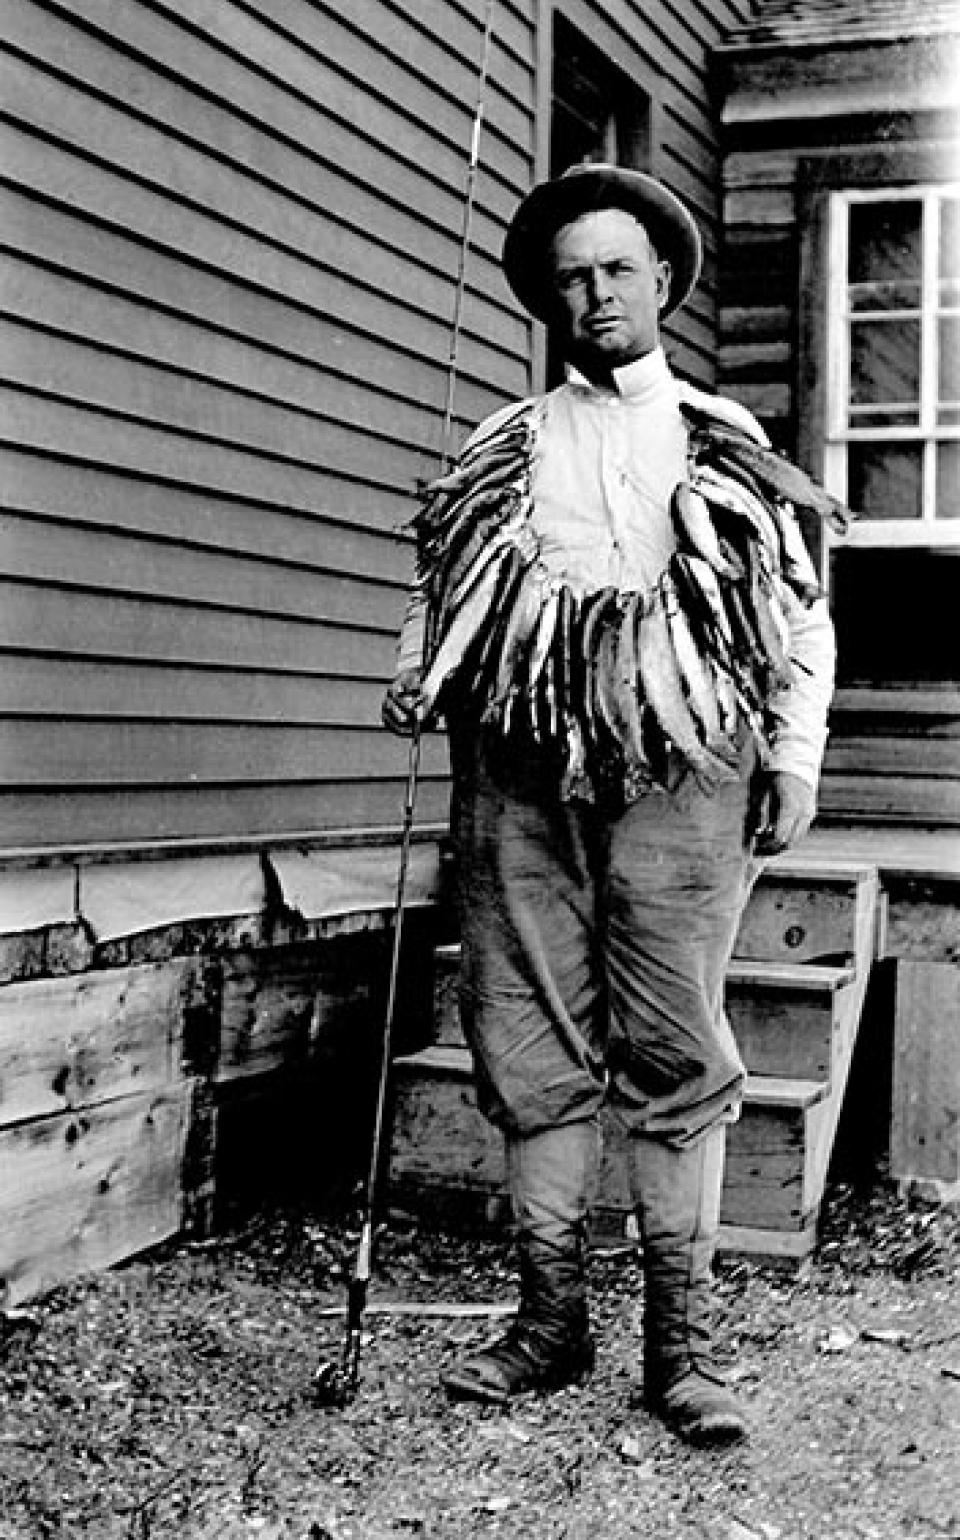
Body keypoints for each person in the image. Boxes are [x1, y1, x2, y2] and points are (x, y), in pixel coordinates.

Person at [383, 163, 840, 1447]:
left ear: (662, 284)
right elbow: (446, 586)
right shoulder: (501, 446)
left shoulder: (724, 440)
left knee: (675, 1049)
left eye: (617, 271)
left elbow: (799, 621)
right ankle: (549, 1319)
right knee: (526, 1043)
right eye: (570, 276)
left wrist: (793, 759)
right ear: (547, 295)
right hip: (519, 773)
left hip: (684, 774)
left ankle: (678, 1349)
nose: (594, 295)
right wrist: (415, 670)